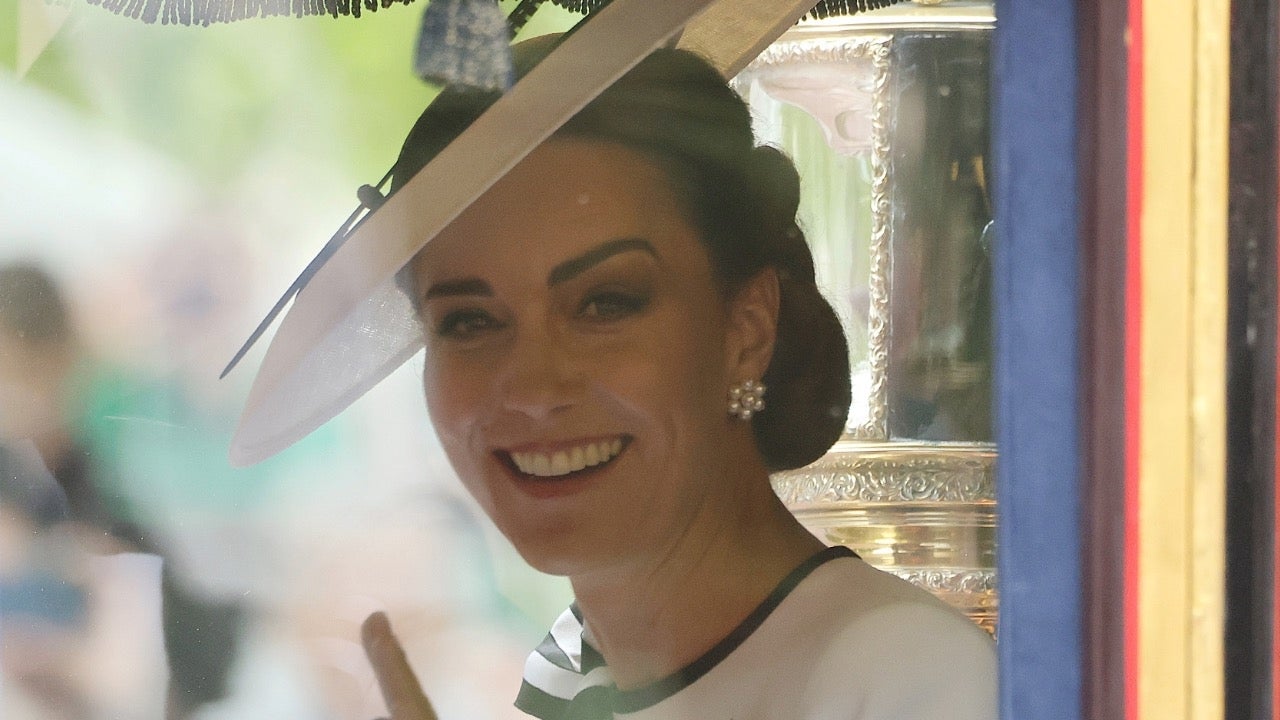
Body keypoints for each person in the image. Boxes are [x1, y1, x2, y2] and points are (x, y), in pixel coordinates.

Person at [231, 17, 997, 720]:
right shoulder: (577, 683)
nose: (531, 389)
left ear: (745, 329)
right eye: (469, 321)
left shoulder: (897, 675)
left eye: (605, 303)